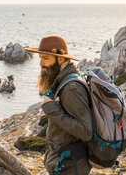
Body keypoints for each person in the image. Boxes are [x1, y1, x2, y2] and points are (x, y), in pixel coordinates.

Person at [26, 36, 92, 175]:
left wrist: (52, 110)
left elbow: (86, 132)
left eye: (45, 58)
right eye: (40, 58)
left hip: (71, 167)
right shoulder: (63, 80)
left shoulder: (72, 88)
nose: (40, 63)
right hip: (64, 163)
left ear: (61, 59)